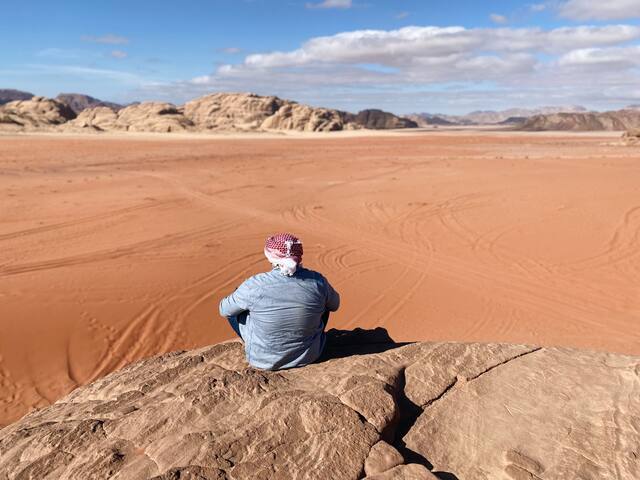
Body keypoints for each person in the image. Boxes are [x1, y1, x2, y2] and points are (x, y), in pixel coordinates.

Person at [219, 233, 340, 370]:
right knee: (324, 302)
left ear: (270, 256)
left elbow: (224, 310)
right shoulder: (317, 281)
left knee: (236, 309)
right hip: (309, 356)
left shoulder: (254, 285)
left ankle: (261, 345)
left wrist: (238, 293)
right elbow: (335, 305)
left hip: (262, 361)